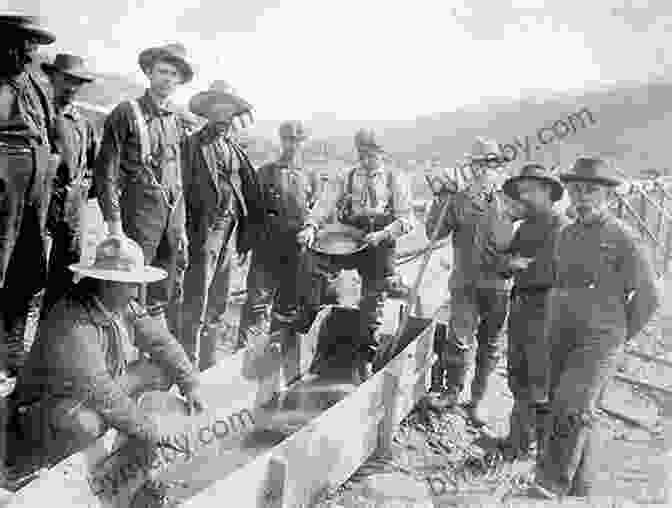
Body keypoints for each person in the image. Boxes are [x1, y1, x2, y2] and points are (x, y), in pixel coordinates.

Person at [9, 233, 205, 475]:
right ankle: (48, 467)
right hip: (45, 407)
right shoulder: (72, 321)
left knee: (161, 371)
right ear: (109, 283)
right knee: (87, 425)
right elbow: (99, 390)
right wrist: (150, 429)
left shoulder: (119, 304)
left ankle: (124, 426)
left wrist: (190, 382)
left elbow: (161, 342)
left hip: (93, 392)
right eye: (131, 284)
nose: (136, 292)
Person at [530, 157, 661, 499]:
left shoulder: (623, 237)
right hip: (562, 334)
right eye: (576, 190)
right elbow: (560, 282)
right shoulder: (567, 234)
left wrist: (616, 337)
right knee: (571, 406)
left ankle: (549, 483)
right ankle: (580, 490)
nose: (582, 196)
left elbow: (648, 297)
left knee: (573, 406)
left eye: (591, 191)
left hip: (600, 338)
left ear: (607, 196)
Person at [297, 128, 414, 381]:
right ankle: (310, 317)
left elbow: (407, 220)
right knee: (313, 259)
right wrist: (310, 226)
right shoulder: (346, 176)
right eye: (362, 153)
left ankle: (365, 361)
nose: (366, 159)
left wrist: (382, 234)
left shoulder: (396, 179)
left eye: (371, 153)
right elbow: (324, 204)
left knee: (372, 303)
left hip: (380, 243)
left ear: (382, 153)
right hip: (351, 239)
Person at [94, 43, 192, 340]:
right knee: (128, 288)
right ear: (149, 73)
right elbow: (106, 172)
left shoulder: (176, 119)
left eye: (174, 74)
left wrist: (181, 227)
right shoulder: (126, 112)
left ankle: (150, 359)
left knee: (161, 289)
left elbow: (178, 178)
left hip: (170, 218)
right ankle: (121, 353)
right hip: (137, 214)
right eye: (162, 71)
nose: (168, 79)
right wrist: (114, 225)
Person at [424, 137, 517, 425]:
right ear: (471, 168)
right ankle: (452, 392)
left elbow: (531, 236)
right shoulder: (457, 200)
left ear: (497, 168)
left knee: (489, 345)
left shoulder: (510, 202)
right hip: (465, 285)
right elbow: (433, 233)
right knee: (459, 339)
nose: (483, 171)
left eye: (490, 165)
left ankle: (477, 400)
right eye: (478, 165)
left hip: (499, 287)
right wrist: (440, 199)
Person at [181, 81, 264, 370]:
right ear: (208, 112)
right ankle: (186, 363)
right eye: (217, 110)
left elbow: (247, 196)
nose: (223, 117)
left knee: (219, 301)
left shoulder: (235, 151)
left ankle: (207, 363)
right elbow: (181, 193)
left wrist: (244, 240)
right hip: (202, 234)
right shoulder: (191, 146)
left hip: (229, 234)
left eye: (228, 112)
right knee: (195, 300)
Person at [0, 14, 60, 378]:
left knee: (27, 267)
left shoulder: (37, 85)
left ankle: (11, 346)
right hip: (5, 193)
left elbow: (47, 136)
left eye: (33, 46)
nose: (28, 53)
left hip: (34, 194)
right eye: (21, 44)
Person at [497, 163, 569, 459]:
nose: (524, 196)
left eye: (531, 190)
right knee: (518, 373)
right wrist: (512, 263)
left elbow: (553, 270)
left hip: (547, 308)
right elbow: (503, 265)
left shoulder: (561, 226)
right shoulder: (524, 227)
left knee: (542, 379)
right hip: (521, 305)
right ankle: (518, 442)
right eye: (522, 190)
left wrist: (520, 264)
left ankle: (542, 450)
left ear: (549, 192)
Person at [238, 120, 320, 349]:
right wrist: (245, 244)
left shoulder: (311, 176)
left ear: (303, 143)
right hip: (267, 246)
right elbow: (251, 211)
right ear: (281, 141)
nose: (292, 145)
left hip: (296, 248)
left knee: (288, 304)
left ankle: (278, 354)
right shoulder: (265, 172)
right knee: (257, 301)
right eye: (287, 140)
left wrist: (310, 227)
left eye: (296, 141)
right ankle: (245, 353)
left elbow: (317, 210)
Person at [41, 53, 100, 315]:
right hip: (38, 203)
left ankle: (49, 336)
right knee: (27, 271)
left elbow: (93, 166)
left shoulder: (83, 124)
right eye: (66, 80)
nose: (71, 87)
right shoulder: (37, 113)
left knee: (64, 274)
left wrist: (80, 191)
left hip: (72, 208)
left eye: (77, 82)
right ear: (52, 77)